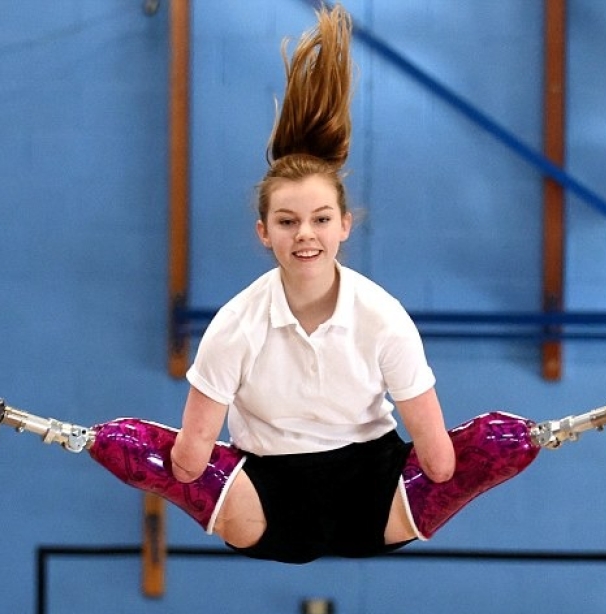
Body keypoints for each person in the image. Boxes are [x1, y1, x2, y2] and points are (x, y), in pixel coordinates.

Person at [168, 3, 456, 565]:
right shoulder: (235, 325)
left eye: (321, 219)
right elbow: (442, 466)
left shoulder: (383, 317)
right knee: (486, 445)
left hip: (372, 498)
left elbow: (185, 468)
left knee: (153, 453)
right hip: (270, 505)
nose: (306, 235)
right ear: (263, 232)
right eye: (287, 221)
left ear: (345, 225)